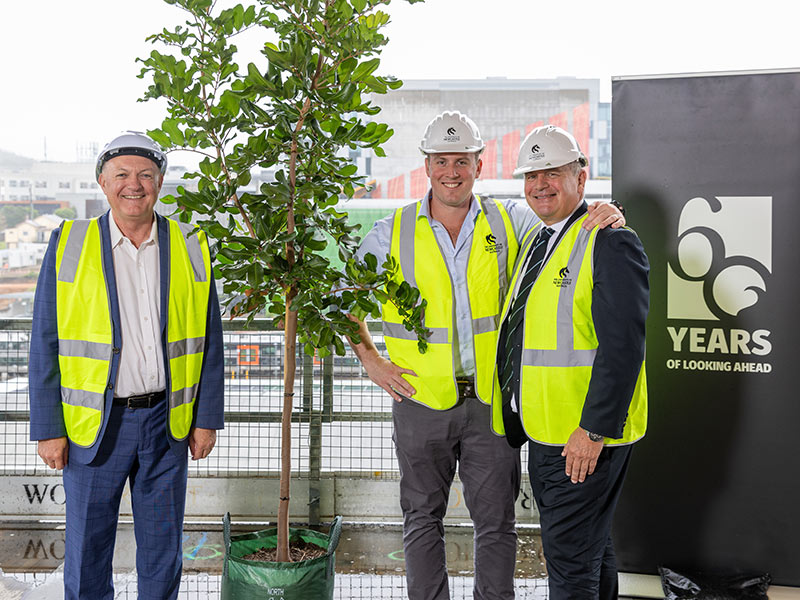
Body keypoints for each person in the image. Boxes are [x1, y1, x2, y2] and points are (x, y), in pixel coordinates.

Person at [347, 112, 624, 600]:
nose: (451, 171)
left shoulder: (510, 220)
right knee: (420, 517)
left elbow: (563, 221)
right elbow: (339, 301)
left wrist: (607, 211)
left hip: (491, 403)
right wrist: (372, 360)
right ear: (426, 167)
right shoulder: (390, 232)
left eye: (462, 161)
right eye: (441, 161)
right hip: (419, 399)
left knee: (496, 523)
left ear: (479, 164)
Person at [28, 131, 224, 600]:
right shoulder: (70, 242)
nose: (133, 184)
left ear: (160, 182)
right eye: (121, 174)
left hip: (167, 424)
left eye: (145, 174)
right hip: (96, 425)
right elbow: (44, 339)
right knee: (87, 549)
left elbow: (210, 338)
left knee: (162, 550)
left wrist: (207, 419)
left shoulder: (191, 244)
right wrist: (48, 427)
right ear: (102, 182)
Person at [493, 125, 648, 600]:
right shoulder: (540, 242)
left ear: (581, 178)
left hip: (580, 438)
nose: (540, 184)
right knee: (590, 550)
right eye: (531, 175)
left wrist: (593, 431)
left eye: (553, 173)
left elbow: (623, 347)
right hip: (548, 430)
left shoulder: (608, 241)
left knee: (568, 565)